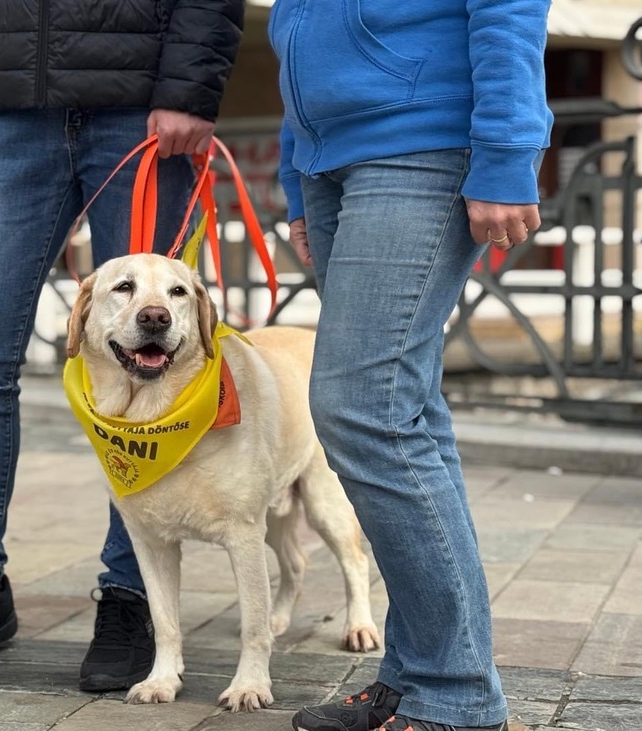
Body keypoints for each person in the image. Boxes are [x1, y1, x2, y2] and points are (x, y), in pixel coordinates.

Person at [0, 0, 244, 691]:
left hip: (142, 113)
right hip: (9, 112)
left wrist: (186, 89)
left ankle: (131, 592)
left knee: (157, 362)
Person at [268, 1, 552, 730]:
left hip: (419, 139)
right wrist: (296, 170)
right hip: (329, 154)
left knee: (361, 406)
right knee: (406, 409)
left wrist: (506, 151)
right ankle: (416, 678)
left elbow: (507, 8)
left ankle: (454, 691)